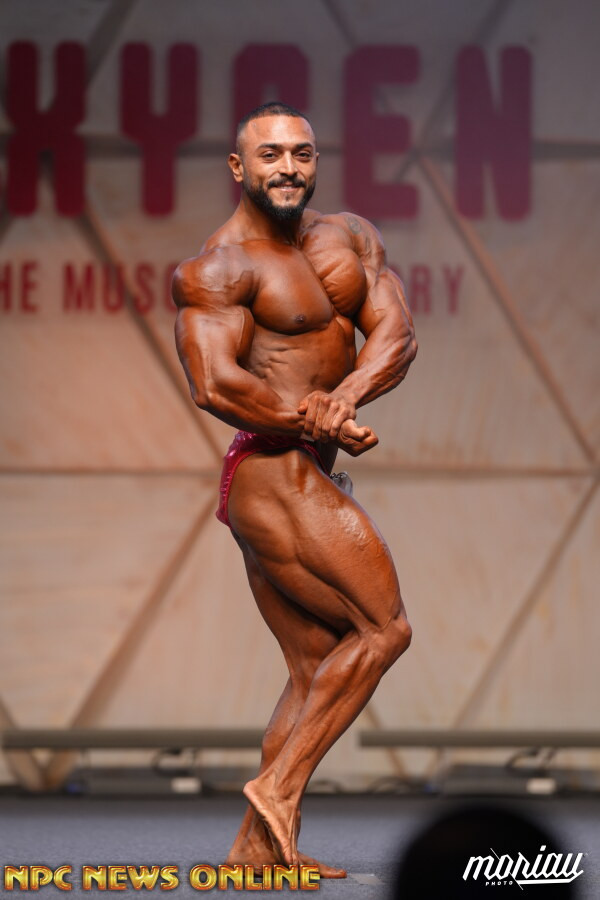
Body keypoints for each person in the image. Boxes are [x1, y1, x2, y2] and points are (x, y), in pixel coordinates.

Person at [172, 101, 417, 877]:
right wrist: (302, 415)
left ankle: (254, 849)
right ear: (239, 168)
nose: (288, 168)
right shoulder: (220, 266)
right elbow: (214, 383)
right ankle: (277, 787)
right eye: (271, 155)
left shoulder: (350, 237)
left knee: (316, 668)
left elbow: (397, 333)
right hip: (270, 467)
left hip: (307, 459)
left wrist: (343, 400)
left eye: (301, 154)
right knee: (384, 630)